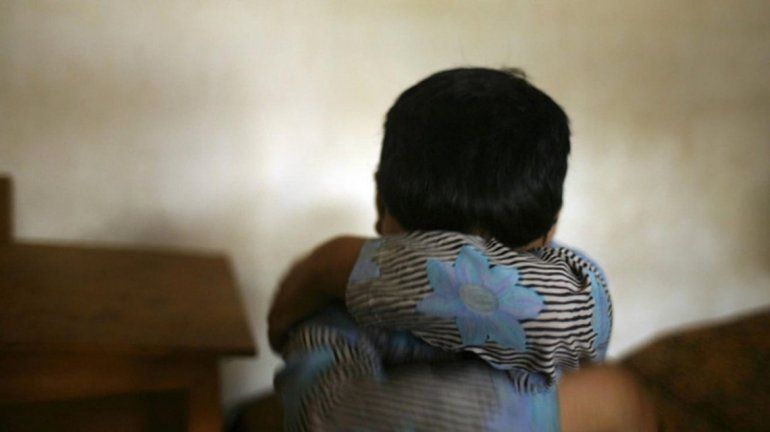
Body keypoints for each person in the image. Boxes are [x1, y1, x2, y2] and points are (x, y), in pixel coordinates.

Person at [268, 68, 654, 431]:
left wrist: (338, 265)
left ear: (380, 202)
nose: (470, 266)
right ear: (552, 225)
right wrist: (571, 409)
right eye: (425, 243)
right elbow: (326, 416)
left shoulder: (572, 283)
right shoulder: (334, 317)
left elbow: (559, 318)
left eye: (503, 256)